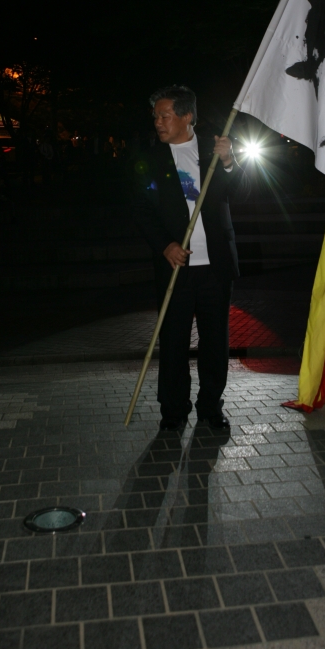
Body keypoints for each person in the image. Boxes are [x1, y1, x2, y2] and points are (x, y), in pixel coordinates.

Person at [132, 84, 248, 432]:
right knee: (173, 341)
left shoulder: (215, 149)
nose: (158, 122)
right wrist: (165, 244)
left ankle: (211, 407)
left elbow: (240, 192)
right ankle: (173, 411)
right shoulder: (151, 158)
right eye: (155, 117)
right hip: (174, 266)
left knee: (215, 342)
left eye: (165, 115)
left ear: (186, 116)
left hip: (215, 267)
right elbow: (140, 208)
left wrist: (230, 162)